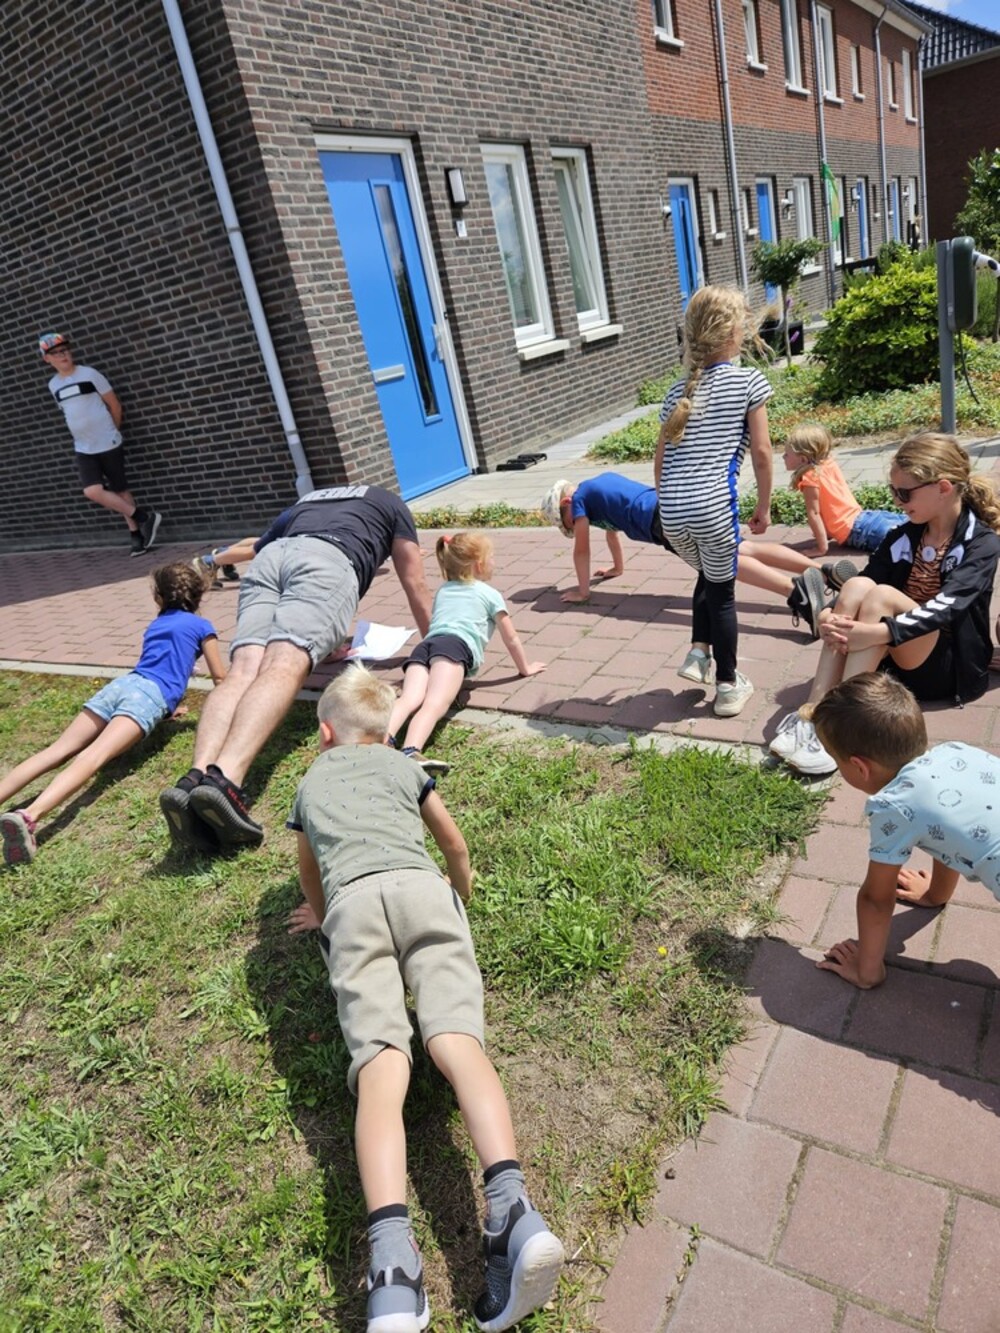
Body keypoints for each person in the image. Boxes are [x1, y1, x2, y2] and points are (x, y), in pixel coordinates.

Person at [289, 665, 565, 1333]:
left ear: (325, 734)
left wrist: (321, 916)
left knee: (383, 1066)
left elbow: (309, 870)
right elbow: (453, 842)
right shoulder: (404, 766)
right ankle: (511, 1208)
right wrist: (458, 896)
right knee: (457, 1043)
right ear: (386, 733)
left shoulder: (311, 781)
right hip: (422, 891)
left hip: (354, 907)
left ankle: (392, 1269)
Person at [159, 484, 433, 852]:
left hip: (271, 560)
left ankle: (194, 779)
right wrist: (434, 647)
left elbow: (258, 547)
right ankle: (224, 783)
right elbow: (414, 581)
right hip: (329, 562)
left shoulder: (310, 499)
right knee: (284, 663)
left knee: (244, 669)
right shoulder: (390, 502)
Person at [771, 433, 1000, 776]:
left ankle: (842, 731)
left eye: (904, 493)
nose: (896, 501)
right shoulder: (904, 534)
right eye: (893, 491)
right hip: (896, 656)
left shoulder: (981, 543)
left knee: (881, 596)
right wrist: (831, 613)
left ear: (943, 488)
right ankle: (813, 715)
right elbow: (867, 578)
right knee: (859, 584)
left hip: (947, 668)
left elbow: (949, 606)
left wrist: (880, 632)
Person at [0, 563, 224, 867]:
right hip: (147, 697)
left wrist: (167, 709)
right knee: (93, 757)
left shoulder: (156, 624)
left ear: (159, 597)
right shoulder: (202, 626)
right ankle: (28, 816)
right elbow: (219, 678)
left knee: (58, 749)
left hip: (121, 686)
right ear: (199, 594)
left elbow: (157, 663)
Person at [812, 673, 1000, 990]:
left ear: (859, 767)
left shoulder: (894, 806)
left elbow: (876, 899)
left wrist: (867, 970)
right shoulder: (954, 752)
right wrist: (935, 894)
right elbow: (948, 831)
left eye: (836, 760)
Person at [541, 472, 858, 639]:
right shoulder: (598, 485)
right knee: (743, 547)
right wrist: (616, 568)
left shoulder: (579, 500)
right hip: (676, 503)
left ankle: (797, 593)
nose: (572, 526)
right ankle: (823, 571)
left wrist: (583, 592)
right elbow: (613, 532)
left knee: (722, 563)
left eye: (566, 522)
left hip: (662, 523)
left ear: (566, 504)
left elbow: (582, 549)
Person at [655, 285, 773, 716]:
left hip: (671, 512)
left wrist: (670, 501)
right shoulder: (749, 382)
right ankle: (727, 686)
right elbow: (762, 452)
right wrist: (764, 506)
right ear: (734, 333)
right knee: (722, 593)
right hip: (712, 507)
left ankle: (697, 653)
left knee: (709, 574)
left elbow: (659, 461)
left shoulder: (676, 393)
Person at [387, 531, 546, 774]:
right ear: (479, 564)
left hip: (425, 647)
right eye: (491, 557)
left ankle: (381, 740)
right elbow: (511, 638)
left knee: (409, 698)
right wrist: (525, 668)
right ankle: (410, 750)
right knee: (434, 703)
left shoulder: (444, 590)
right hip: (453, 648)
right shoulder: (490, 594)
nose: (494, 561)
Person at [39, 332, 161, 556]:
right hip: (83, 446)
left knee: (120, 490)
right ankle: (144, 517)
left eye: (65, 350)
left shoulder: (90, 374)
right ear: (47, 359)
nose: (62, 355)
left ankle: (136, 534)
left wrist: (112, 431)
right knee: (92, 491)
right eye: (55, 353)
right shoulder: (53, 385)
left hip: (108, 441)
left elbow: (114, 405)